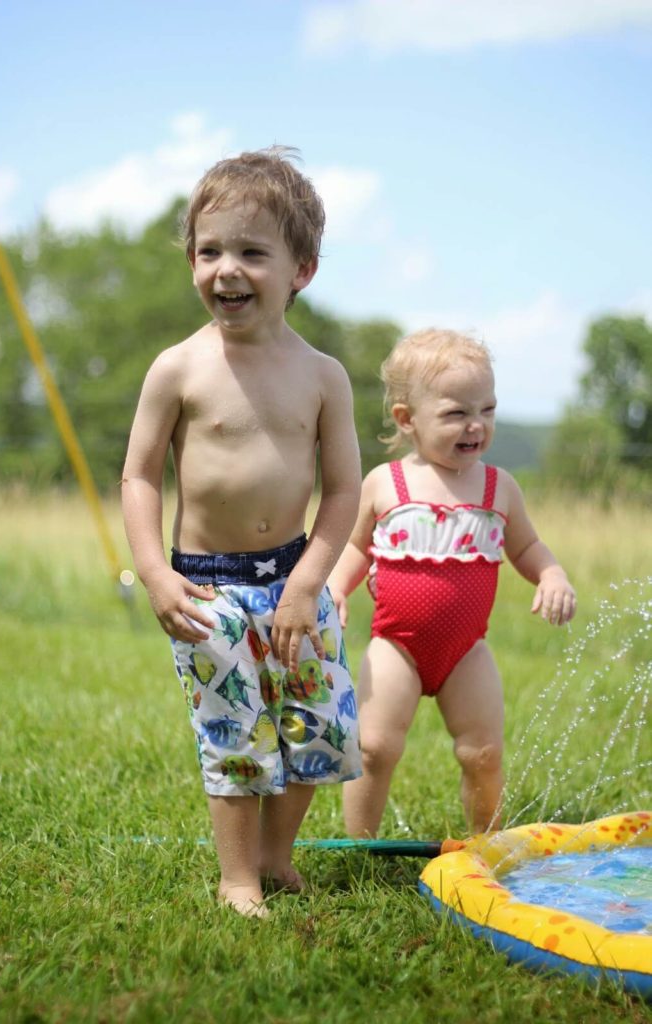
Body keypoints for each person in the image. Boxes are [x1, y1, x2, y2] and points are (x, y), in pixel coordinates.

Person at [121, 147, 362, 917]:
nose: (226, 268)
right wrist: (155, 574)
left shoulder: (323, 376)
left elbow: (345, 490)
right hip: (206, 586)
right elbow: (138, 478)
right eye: (209, 250)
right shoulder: (178, 369)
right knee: (238, 733)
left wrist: (308, 583)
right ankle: (238, 877)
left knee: (317, 730)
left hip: (298, 578)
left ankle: (275, 855)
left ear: (303, 269)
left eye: (252, 252)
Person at [328, 328, 576, 837]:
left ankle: (488, 846)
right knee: (375, 747)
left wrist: (550, 573)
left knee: (482, 752)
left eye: (487, 409)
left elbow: (526, 547)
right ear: (406, 419)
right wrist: (334, 588)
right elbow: (355, 547)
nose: (475, 425)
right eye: (456, 413)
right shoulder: (385, 483)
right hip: (396, 644)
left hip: (467, 649)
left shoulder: (498, 486)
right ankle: (361, 847)